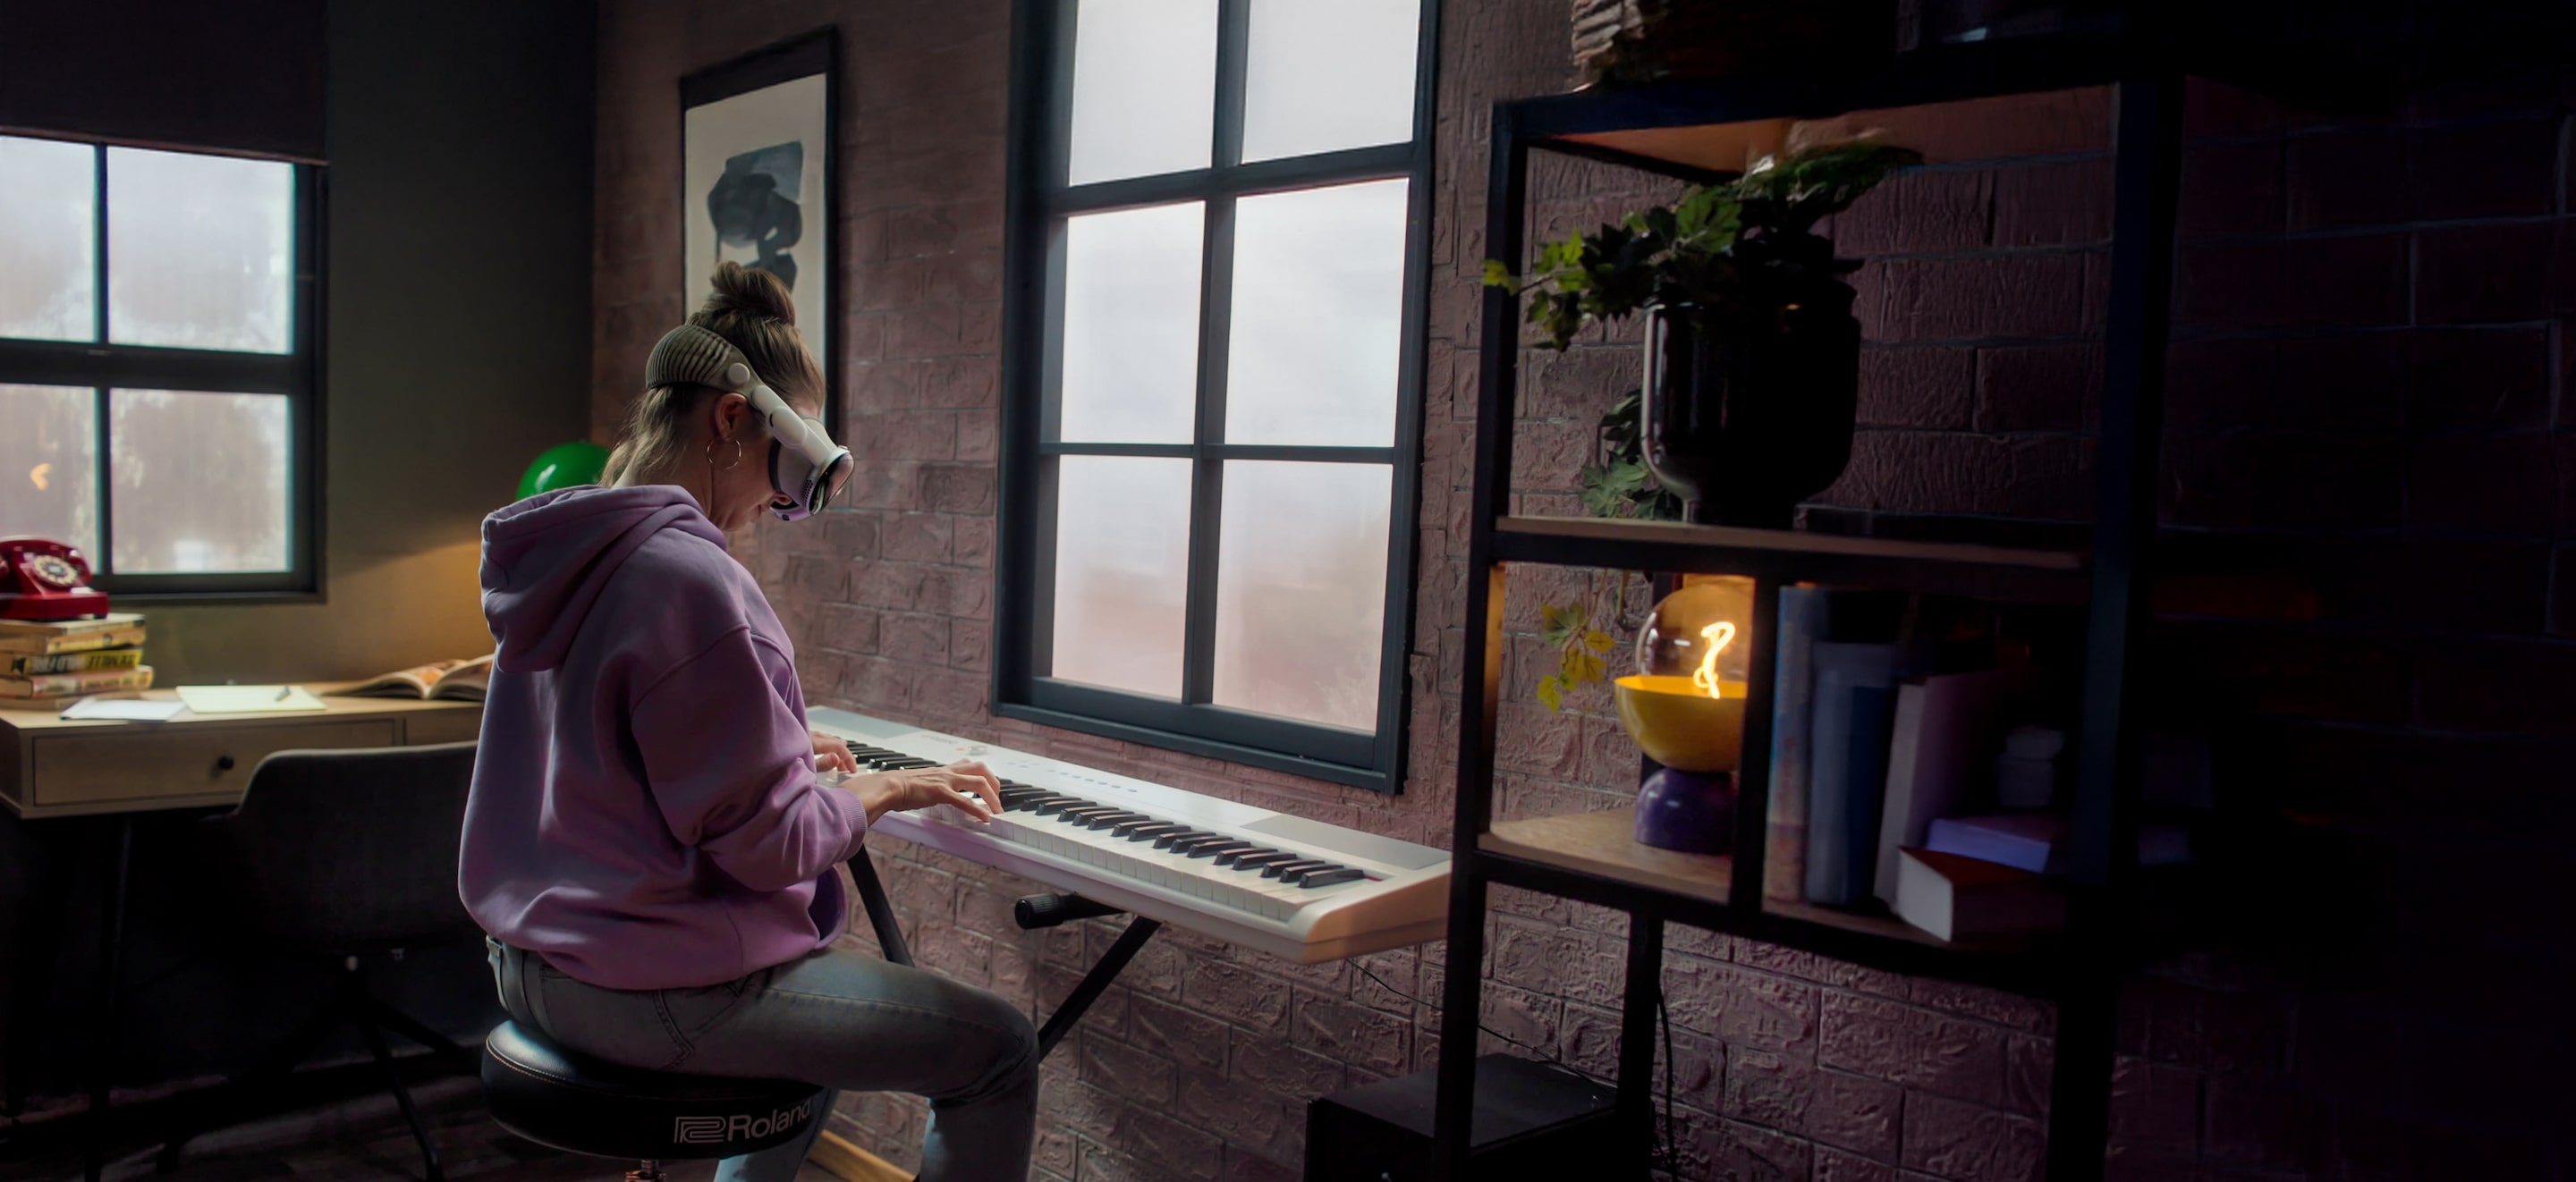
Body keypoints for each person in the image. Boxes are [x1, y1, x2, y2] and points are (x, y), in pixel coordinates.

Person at [461, 262, 1037, 1182]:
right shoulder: (693, 579)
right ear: (731, 419)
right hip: (644, 987)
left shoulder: (568, 553)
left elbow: (598, 737)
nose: (784, 503)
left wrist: (767, 738)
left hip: (532, 960)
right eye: (790, 472)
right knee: (997, 1046)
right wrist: (881, 786)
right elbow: (768, 848)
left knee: (831, 1007)